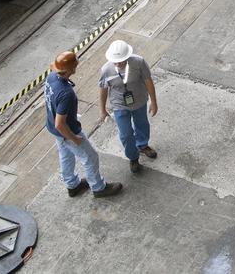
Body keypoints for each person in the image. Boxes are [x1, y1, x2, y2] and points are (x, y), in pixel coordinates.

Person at [44, 51, 123, 200]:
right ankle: (99, 188)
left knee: (65, 156)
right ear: (71, 70)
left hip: (54, 131)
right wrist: (74, 138)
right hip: (67, 131)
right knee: (90, 157)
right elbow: (60, 124)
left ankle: (72, 185)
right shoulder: (66, 93)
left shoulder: (50, 78)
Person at [98, 40, 159, 175]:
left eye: (121, 60)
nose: (118, 63)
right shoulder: (106, 70)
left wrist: (153, 102)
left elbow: (148, 81)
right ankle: (133, 157)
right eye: (115, 61)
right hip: (119, 105)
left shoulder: (139, 62)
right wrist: (102, 109)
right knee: (126, 134)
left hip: (139, 101)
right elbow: (103, 89)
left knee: (142, 124)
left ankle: (142, 145)